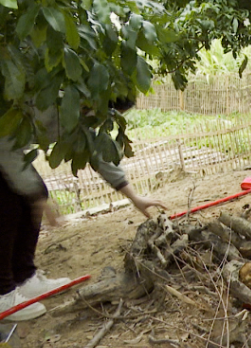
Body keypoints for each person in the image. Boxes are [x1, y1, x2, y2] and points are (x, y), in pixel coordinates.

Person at [0, 97, 167, 321]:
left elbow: (96, 151)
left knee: (33, 195)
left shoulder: (82, 114)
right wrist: (36, 196)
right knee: (8, 208)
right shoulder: (52, 102)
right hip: (3, 146)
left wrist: (134, 197)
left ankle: (24, 277)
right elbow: (6, 146)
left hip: (8, 148)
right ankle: (3, 295)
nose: (101, 123)